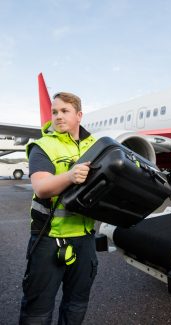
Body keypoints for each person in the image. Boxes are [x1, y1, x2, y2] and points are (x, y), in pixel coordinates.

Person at [19, 92, 98, 324]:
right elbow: (42, 187)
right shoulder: (43, 146)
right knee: (38, 311)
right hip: (49, 237)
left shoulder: (95, 146)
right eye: (55, 112)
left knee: (76, 306)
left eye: (65, 111)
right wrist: (71, 175)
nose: (58, 116)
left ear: (79, 115)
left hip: (85, 239)